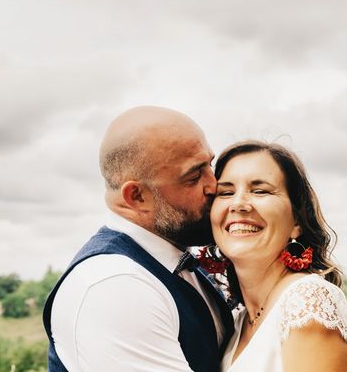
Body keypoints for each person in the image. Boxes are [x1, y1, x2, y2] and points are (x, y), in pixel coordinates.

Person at [42, 106, 234, 372]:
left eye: (209, 165)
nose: (214, 185)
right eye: (193, 177)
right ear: (137, 197)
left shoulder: (176, 260)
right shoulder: (113, 288)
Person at [209, 141, 347, 372]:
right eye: (226, 192)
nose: (238, 203)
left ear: (297, 221)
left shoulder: (306, 304)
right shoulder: (238, 321)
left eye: (260, 191)